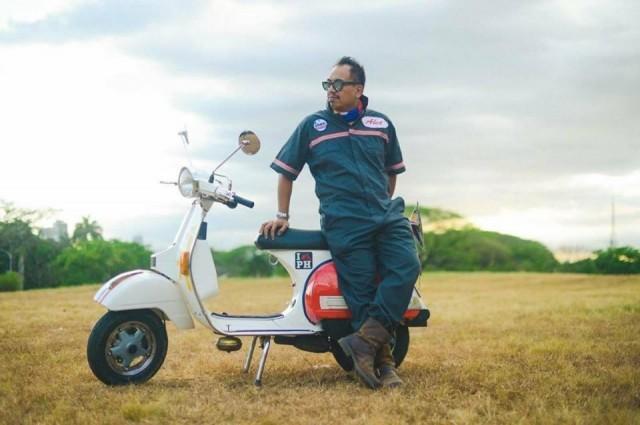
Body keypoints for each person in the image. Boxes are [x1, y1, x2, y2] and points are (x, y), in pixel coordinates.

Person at [259, 56, 421, 389]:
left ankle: (363, 343)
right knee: (360, 292)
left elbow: (391, 173)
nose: (330, 91)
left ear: (358, 89)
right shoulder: (312, 126)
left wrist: (380, 203)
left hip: (386, 215)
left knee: (407, 266)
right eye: (327, 85)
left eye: (337, 85)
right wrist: (282, 216)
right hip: (344, 222)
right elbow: (287, 174)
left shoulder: (382, 124)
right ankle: (385, 364)